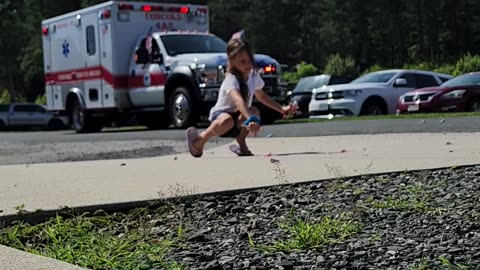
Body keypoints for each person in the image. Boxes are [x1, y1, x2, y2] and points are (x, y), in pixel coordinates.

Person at [186, 32, 294, 158]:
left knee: (254, 110)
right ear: (232, 61)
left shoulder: (253, 76)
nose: (247, 64)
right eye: (242, 61)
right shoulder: (231, 79)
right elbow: (238, 100)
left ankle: (241, 143)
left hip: (239, 118)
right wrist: (250, 119)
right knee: (229, 120)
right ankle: (199, 141)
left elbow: (261, 96)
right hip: (221, 117)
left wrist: (281, 109)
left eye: (249, 60)